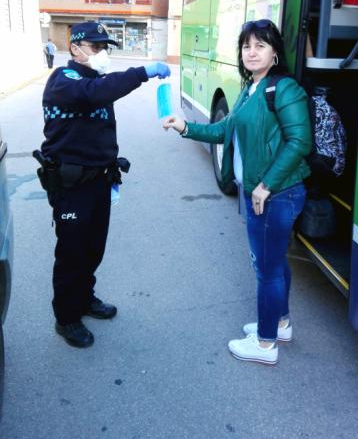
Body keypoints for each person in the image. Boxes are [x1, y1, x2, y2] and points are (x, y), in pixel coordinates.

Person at [163, 19, 311, 365]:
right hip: (261, 192)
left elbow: (300, 141)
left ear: (275, 52)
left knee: (267, 269)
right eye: (246, 46)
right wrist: (185, 126)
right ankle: (281, 323)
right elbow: (225, 130)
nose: (252, 52)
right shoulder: (250, 89)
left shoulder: (284, 89)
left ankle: (264, 343)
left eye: (260, 45)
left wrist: (265, 186)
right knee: (275, 263)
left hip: (276, 194)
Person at [35, 21, 171, 348]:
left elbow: (102, 106)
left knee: (93, 247)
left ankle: (84, 298)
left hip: (98, 181)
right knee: (71, 253)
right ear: (76, 48)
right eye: (95, 48)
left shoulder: (96, 81)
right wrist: (144, 71)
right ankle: (66, 317)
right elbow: (96, 93)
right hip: (70, 185)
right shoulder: (63, 80)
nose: (101, 54)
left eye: (104, 48)